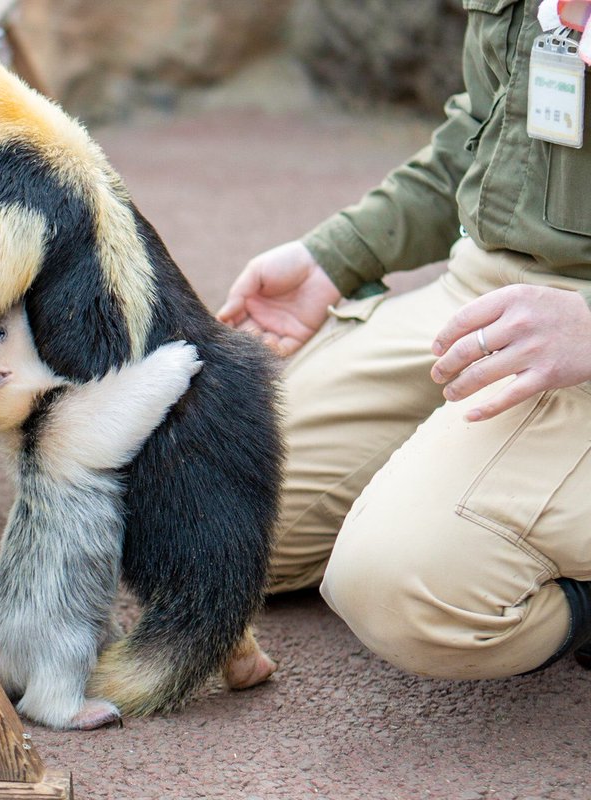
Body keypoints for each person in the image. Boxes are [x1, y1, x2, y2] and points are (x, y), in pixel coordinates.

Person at [218, 0, 591, 678]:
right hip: (481, 289)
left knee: (402, 592)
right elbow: (485, 131)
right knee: (212, 516)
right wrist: (338, 255)